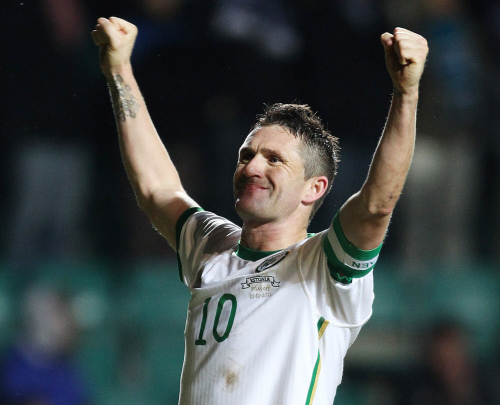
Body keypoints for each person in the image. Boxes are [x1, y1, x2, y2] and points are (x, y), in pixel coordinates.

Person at [92, 17, 428, 405]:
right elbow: (156, 189)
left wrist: (406, 94)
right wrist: (119, 69)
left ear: (314, 188)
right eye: (246, 155)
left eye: (274, 160)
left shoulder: (324, 267)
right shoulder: (212, 247)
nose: (252, 167)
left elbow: (375, 206)